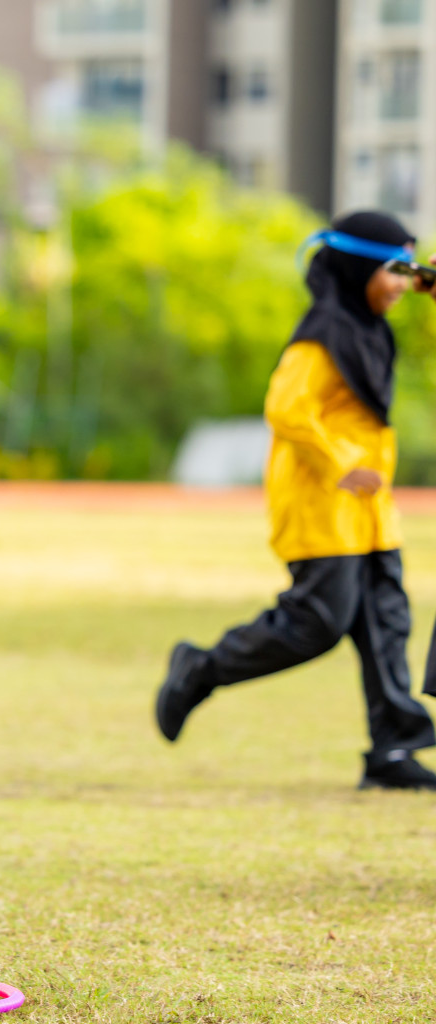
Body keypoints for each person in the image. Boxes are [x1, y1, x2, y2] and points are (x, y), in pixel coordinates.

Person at [156, 211, 436, 790]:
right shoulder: (324, 332)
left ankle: (392, 750)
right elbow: (286, 409)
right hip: (323, 504)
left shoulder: (368, 326)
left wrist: (421, 277)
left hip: (369, 509)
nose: (403, 286)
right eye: (393, 272)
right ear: (358, 268)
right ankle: (200, 668)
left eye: (409, 273)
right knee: (316, 623)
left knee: (386, 623)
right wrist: (341, 465)